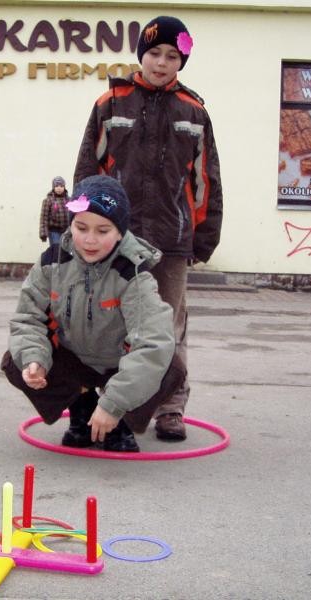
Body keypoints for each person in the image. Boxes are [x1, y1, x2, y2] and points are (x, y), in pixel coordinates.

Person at [73, 16, 223, 441]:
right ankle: (111, 404)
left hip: (172, 240)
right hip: (117, 239)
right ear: (142, 54)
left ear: (181, 62)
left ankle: (170, 408)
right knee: (112, 323)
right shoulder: (110, 103)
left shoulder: (194, 111)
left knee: (168, 327)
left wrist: (204, 236)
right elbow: (87, 170)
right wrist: (83, 227)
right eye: (154, 53)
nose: (161, 62)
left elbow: (206, 181)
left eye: (172, 56)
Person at [1, 175, 186, 452]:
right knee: (15, 361)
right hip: (74, 361)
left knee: (172, 369)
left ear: (120, 232)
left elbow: (153, 342)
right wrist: (34, 358)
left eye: (103, 231)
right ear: (70, 224)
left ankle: (119, 421)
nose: (89, 240)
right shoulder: (51, 263)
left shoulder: (134, 273)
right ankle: (82, 407)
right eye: (81, 227)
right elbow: (27, 318)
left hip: (117, 364)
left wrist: (114, 404)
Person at [38, 175, 69, 246]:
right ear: (53, 187)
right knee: (56, 248)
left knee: (66, 248)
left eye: (61, 186)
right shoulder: (48, 201)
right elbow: (44, 218)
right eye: (57, 186)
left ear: (64, 187)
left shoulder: (69, 200)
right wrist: (43, 233)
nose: (59, 188)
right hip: (54, 231)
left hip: (67, 231)